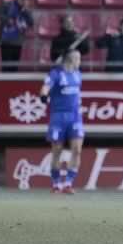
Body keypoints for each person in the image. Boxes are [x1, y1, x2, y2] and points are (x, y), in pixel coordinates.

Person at [39, 50, 85, 195]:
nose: (80, 61)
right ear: (69, 59)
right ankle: (56, 183)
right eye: (78, 58)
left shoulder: (78, 74)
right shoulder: (56, 74)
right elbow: (45, 87)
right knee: (57, 151)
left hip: (75, 116)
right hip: (58, 117)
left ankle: (69, 183)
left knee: (77, 150)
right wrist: (44, 96)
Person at [0, 0, 34, 72]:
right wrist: (6, 19)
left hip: (18, 42)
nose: (23, 1)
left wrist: (26, 12)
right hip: (6, 42)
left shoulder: (26, 10)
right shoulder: (8, 5)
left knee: (14, 69)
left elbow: (31, 23)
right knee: (6, 68)